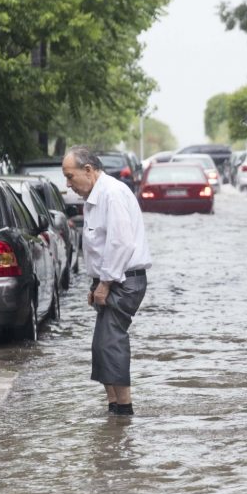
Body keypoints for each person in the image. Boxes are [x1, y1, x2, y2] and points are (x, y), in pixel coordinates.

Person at [62, 146, 152, 416]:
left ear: (88, 170)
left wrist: (105, 283)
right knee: (101, 346)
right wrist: (97, 282)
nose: (68, 184)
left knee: (111, 342)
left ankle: (124, 411)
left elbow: (121, 243)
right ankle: (114, 408)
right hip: (111, 279)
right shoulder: (96, 195)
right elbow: (99, 245)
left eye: (70, 176)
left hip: (124, 281)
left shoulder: (111, 194)